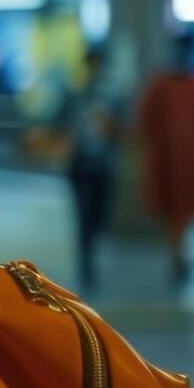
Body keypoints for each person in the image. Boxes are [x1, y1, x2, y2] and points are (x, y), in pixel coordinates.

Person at [138, 30, 194, 284]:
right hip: (191, 158)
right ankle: (179, 253)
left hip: (170, 156)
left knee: (176, 211)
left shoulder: (163, 85)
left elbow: (146, 121)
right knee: (183, 210)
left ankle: (179, 252)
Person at [56, 47, 125, 289]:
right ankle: (86, 261)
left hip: (104, 166)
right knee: (83, 214)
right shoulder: (74, 95)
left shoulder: (113, 98)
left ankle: (92, 248)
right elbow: (59, 124)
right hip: (80, 165)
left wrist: (111, 128)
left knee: (99, 215)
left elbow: (123, 130)